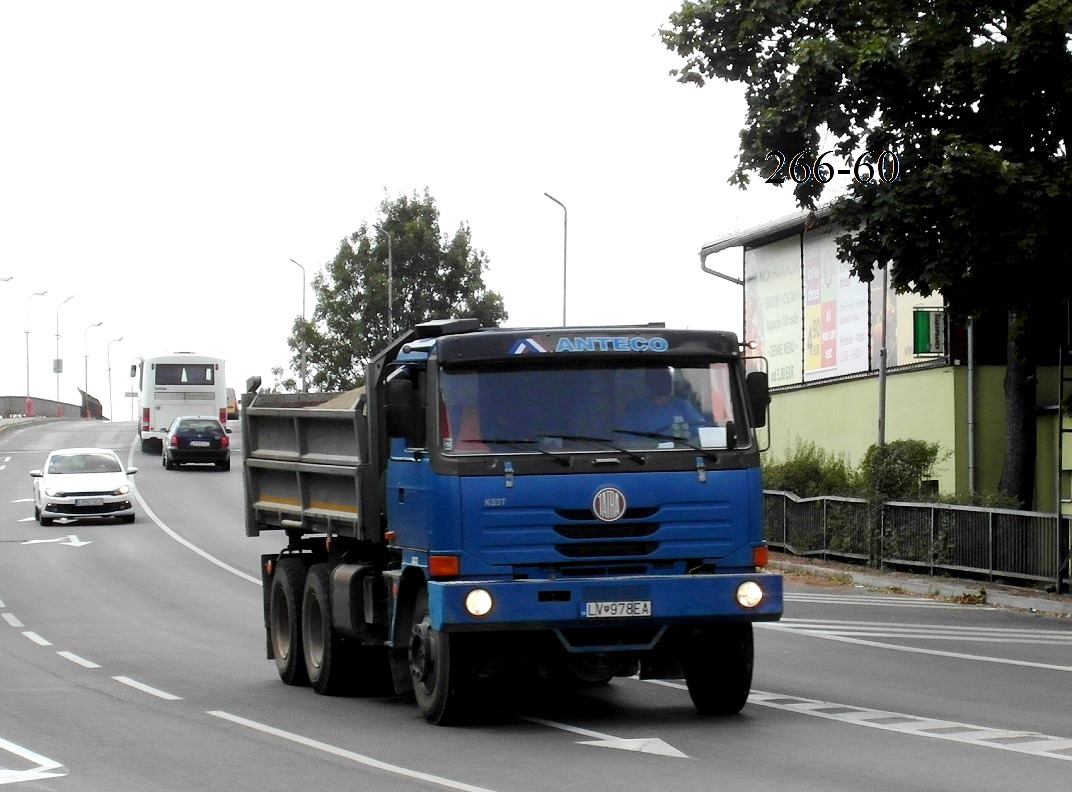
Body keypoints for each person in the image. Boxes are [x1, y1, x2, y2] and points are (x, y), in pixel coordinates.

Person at [623, 368, 707, 437]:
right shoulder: (636, 408)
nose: (662, 382)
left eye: (665, 378)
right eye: (657, 379)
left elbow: (700, 431)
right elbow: (627, 439)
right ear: (649, 383)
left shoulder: (683, 406)